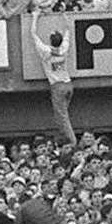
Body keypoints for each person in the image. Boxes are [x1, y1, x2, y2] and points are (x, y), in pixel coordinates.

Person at [30, 10, 75, 144]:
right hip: (68, 84)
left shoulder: (45, 51)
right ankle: (64, 140)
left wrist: (35, 17)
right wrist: (64, 16)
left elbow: (33, 33)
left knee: (62, 118)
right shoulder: (64, 49)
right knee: (62, 115)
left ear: (50, 40)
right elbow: (68, 31)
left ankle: (73, 142)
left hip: (57, 87)